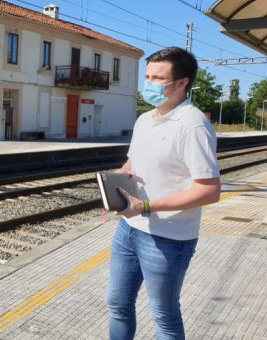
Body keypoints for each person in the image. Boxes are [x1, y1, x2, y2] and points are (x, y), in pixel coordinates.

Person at [107, 47, 221, 340]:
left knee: (164, 318)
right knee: (118, 305)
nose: (148, 83)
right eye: (147, 76)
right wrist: (114, 189)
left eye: (158, 78)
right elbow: (133, 162)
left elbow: (209, 191)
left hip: (168, 238)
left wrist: (146, 206)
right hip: (129, 229)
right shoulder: (145, 119)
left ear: (182, 83)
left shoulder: (193, 124)